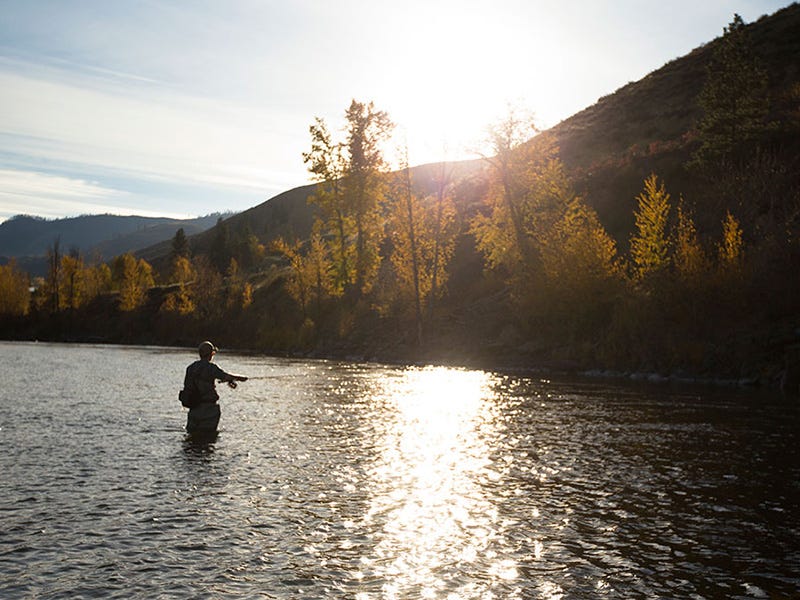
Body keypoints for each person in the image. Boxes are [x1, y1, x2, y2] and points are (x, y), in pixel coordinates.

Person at [182, 341, 248, 435]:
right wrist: (241, 378)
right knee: (208, 437)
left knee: (192, 437)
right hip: (209, 410)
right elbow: (225, 376)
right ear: (211, 354)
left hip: (193, 409)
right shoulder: (211, 368)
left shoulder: (190, 368)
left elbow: (187, 386)